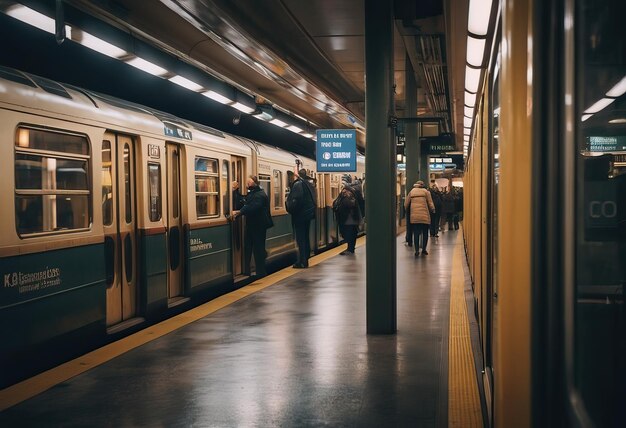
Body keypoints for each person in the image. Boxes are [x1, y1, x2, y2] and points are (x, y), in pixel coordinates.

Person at [232, 175, 273, 278]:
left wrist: (239, 212)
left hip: (258, 226)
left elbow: (252, 207)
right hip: (252, 225)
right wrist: (235, 191)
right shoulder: (254, 193)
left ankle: (261, 272)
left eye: (249, 182)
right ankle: (247, 271)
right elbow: (244, 202)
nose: (247, 184)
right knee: (249, 247)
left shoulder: (260, 195)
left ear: (254, 182)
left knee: (258, 249)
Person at [286, 168, 317, 268]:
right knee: (305, 237)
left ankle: (302, 261)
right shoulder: (309, 184)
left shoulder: (298, 184)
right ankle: (306, 258)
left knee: (301, 239)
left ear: (297, 175)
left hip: (300, 215)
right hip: (308, 214)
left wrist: (289, 207)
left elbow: (296, 200)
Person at [405, 180, 435, 257]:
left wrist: (407, 210)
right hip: (424, 216)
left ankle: (417, 250)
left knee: (416, 233)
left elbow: (406, 204)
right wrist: (433, 209)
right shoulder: (426, 192)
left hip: (415, 217)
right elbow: (430, 202)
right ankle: (424, 249)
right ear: (422, 185)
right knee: (425, 233)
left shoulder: (412, 192)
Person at [333, 180, 363, 255]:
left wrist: (344, 197)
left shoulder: (350, 197)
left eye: (344, 190)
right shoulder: (350, 196)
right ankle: (350, 249)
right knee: (351, 234)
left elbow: (348, 205)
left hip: (350, 219)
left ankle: (350, 249)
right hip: (351, 219)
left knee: (350, 234)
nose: (343, 191)